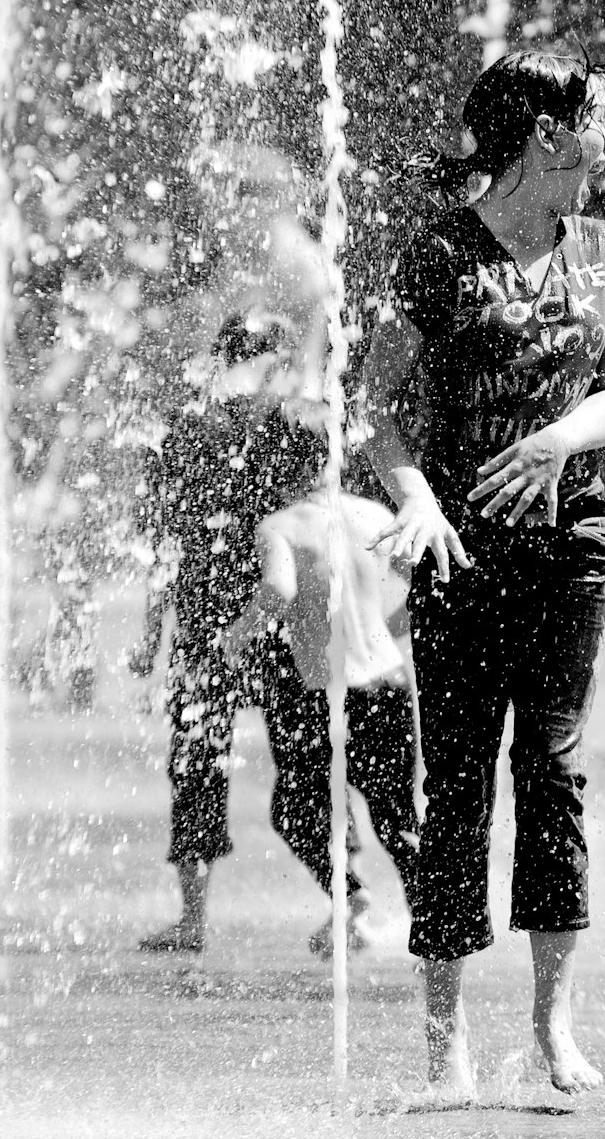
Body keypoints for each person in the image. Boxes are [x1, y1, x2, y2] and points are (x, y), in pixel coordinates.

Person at [363, 47, 605, 1097]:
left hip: (571, 547)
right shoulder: (436, 254)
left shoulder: (604, 247)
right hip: (460, 554)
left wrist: (558, 439)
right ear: (545, 131)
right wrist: (421, 504)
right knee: (461, 783)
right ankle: (445, 1041)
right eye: (595, 121)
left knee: (555, 773)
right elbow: (377, 411)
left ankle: (551, 1027)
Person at [133, 314, 375, 955]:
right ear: (276, 354)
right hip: (278, 627)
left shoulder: (188, 427)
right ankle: (347, 899)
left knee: (196, 765)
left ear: (220, 354)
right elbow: (329, 517)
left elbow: (166, 546)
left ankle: (191, 920)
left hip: (207, 624)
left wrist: (149, 635)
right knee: (307, 770)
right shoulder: (301, 417)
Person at [225, 486, 420, 947]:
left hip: (327, 691)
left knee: (294, 809)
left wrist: (234, 639)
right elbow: (422, 589)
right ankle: (433, 930)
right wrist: (383, 632)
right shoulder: (375, 515)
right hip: (388, 681)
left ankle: (350, 893)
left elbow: (278, 588)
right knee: (399, 821)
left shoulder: (281, 526)